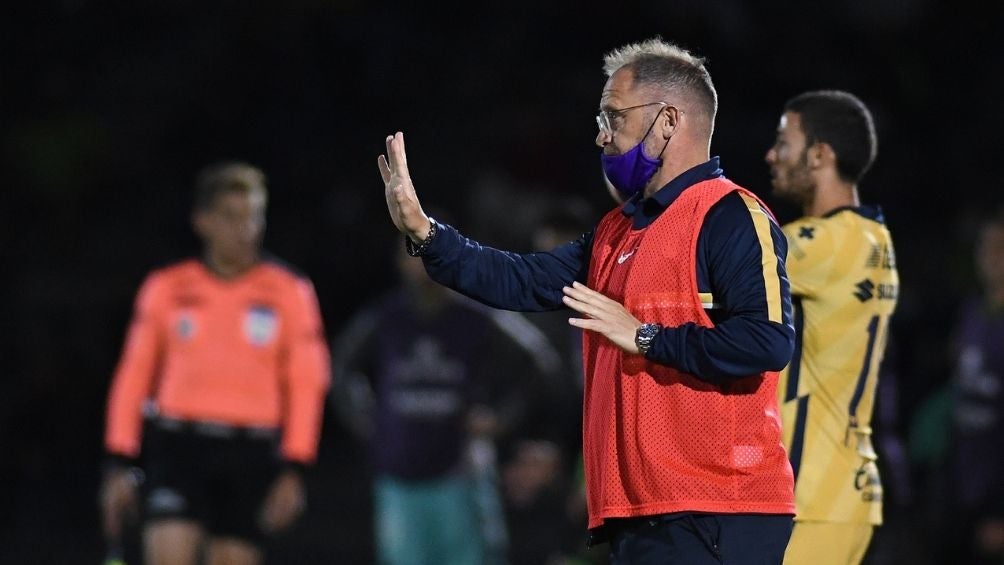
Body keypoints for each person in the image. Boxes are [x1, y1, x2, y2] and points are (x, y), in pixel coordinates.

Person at [378, 37, 796, 564]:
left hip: (718, 509)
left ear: (668, 120)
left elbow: (767, 342)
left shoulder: (733, 215)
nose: (601, 135)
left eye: (614, 117)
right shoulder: (615, 232)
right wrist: (426, 233)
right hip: (643, 513)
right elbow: (519, 279)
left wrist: (645, 336)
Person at [99, 162, 331, 565]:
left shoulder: (289, 292)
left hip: (250, 454)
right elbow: (133, 376)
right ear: (202, 221)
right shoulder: (167, 287)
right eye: (231, 216)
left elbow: (307, 383)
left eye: (253, 216)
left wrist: (296, 468)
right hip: (179, 447)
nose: (245, 229)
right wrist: (118, 461)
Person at [330, 237, 561, 565]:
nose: (420, 265)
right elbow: (342, 367)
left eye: (429, 253)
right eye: (412, 254)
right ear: (398, 262)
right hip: (400, 475)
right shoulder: (386, 317)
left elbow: (539, 361)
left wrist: (503, 418)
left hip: (460, 472)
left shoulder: (475, 316)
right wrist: (367, 421)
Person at [764, 90, 898, 565]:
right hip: (843, 491)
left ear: (821, 154)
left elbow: (714, 268)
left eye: (784, 141)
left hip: (813, 495)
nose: (771, 154)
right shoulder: (871, 237)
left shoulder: (825, 244)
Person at [933, 209, 1004, 565]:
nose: (990, 257)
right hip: (963, 482)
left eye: (1000, 248)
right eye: (985, 247)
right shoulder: (971, 312)